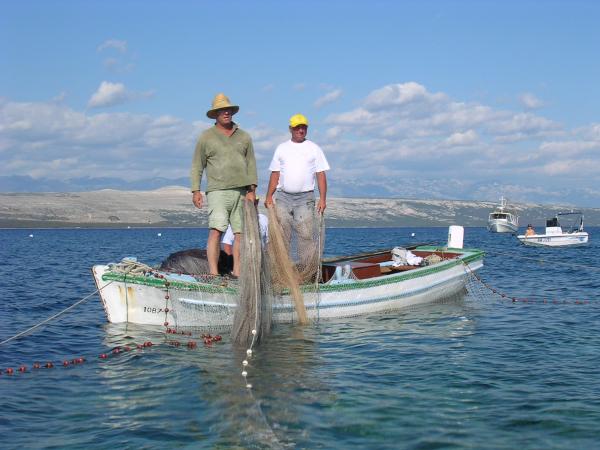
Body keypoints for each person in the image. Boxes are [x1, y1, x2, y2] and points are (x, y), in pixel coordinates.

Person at [190, 93, 257, 276]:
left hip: (241, 191)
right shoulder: (206, 137)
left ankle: (237, 272)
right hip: (217, 191)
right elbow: (197, 165)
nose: (226, 112)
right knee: (216, 231)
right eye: (222, 110)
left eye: (228, 109)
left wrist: (252, 190)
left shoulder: (244, 136)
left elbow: (251, 164)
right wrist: (196, 190)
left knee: (240, 233)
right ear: (215, 114)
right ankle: (214, 273)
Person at [264, 113, 329, 269]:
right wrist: (269, 196)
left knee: (305, 235)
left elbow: (320, 174)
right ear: (290, 129)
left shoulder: (314, 148)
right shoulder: (281, 148)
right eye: (297, 127)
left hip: (305, 198)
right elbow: (275, 174)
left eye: (303, 127)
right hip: (283, 197)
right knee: (281, 234)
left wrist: (323, 199)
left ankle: (307, 269)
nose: (301, 130)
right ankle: (281, 269)